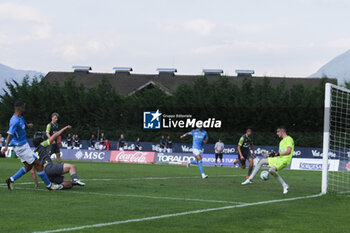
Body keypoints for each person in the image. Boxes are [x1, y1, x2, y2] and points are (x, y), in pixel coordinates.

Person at [1, 101, 62, 190]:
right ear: (20, 108)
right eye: (23, 107)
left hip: (24, 145)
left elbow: (23, 125)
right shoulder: (14, 120)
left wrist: (28, 126)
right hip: (20, 147)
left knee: (29, 166)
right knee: (38, 164)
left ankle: (10, 180)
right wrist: (6, 146)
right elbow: (10, 134)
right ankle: (49, 186)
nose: (24, 109)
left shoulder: (20, 118)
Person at [241, 126, 294, 194]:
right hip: (279, 159)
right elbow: (280, 153)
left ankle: (284, 185)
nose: (277, 133)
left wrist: (277, 154)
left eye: (278, 132)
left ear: (282, 131)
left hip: (285, 160)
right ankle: (250, 179)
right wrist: (271, 155)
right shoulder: (281, 141)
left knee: (271, 170)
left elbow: (288, 151)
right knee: (261, 162)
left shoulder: (289, 139)